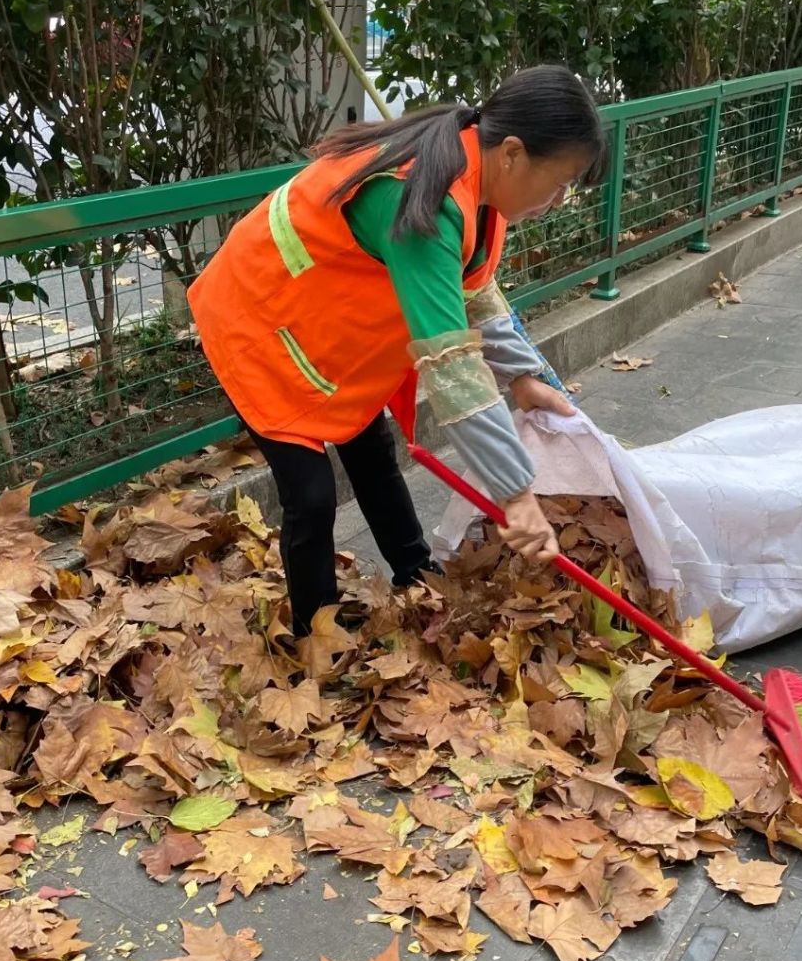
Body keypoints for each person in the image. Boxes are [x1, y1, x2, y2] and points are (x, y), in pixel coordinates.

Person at [188, 64, 608, 635]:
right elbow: (454, 371)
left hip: (324, 330)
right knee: (310, 495)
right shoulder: (428, 201)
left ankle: (413, 571)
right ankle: (318, 633)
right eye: (559, 182)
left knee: (372, 448)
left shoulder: (477, 184)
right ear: (512, 153)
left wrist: (523, 376)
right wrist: (516, 492)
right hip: (260, 319)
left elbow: (476, 290)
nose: (558, 199)